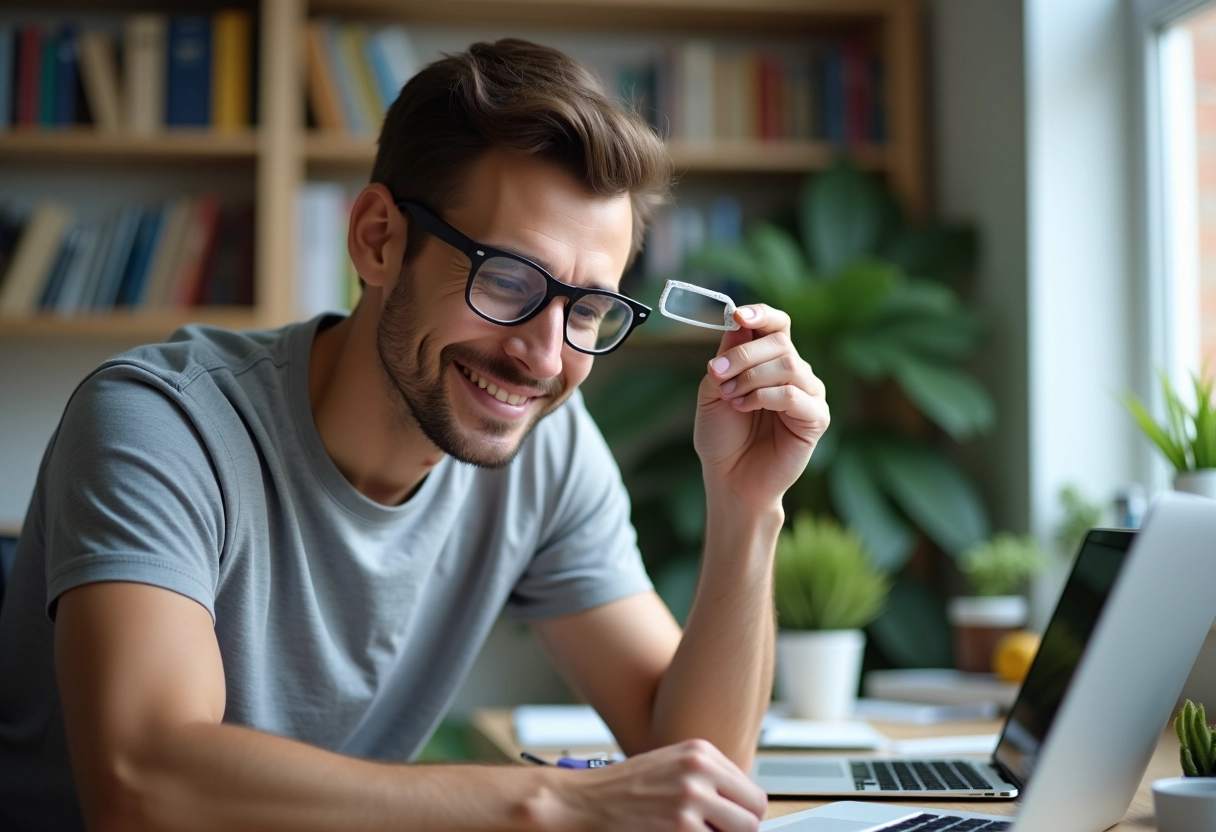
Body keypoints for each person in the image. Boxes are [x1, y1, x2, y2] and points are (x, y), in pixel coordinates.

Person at [0, 39, 829, 831]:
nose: (543, 357)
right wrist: (556, 806)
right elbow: (143, 785)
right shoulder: (160, 422)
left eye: (588, 309)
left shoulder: (549, 444)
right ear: (378, 240)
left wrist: (747, 505)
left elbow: (702, 772)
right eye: (507, 278)